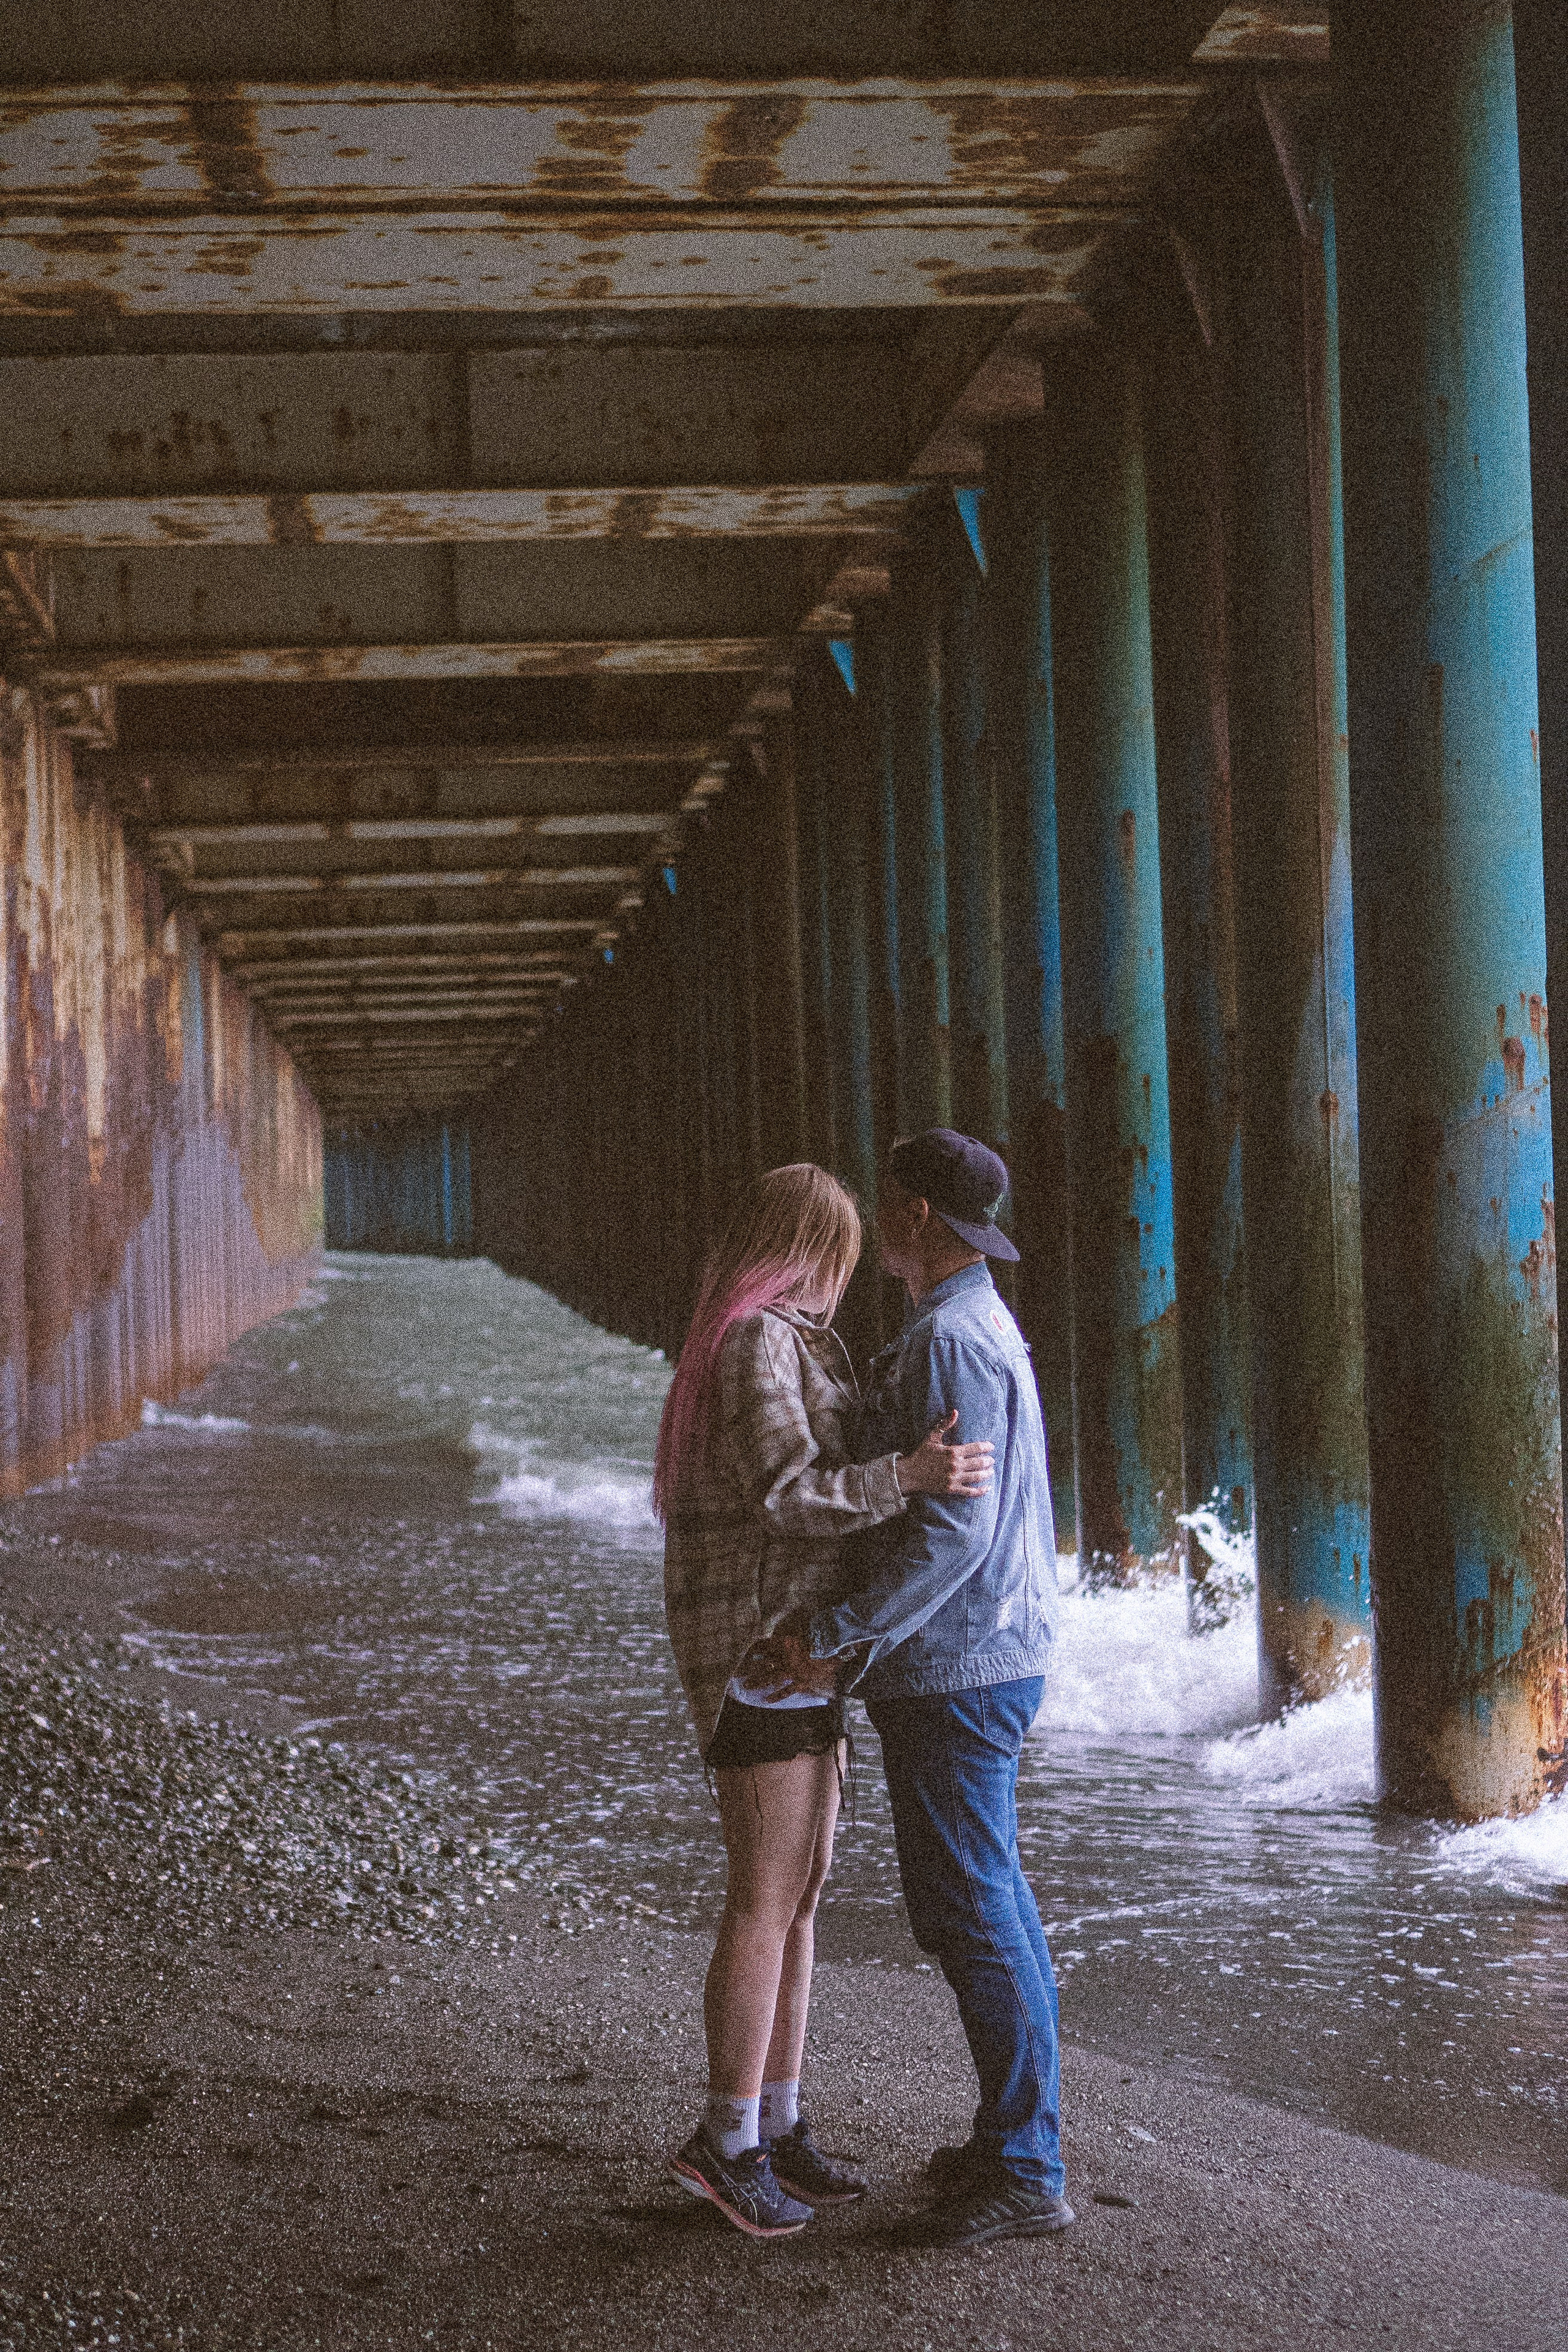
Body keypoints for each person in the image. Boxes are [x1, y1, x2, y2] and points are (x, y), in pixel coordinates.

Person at [655, 1161, 995, 2241]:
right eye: (840, 1260)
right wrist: (910, 1477)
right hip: (761, 1653)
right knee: (765, 1897)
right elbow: (789, 1496)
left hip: (802, 1655)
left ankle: (780, 2123)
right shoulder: (759, 1339)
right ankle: (726, 2143)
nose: (848, 1283)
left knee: (800, 1897)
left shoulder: (788, 1340)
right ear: (809, 1250)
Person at [747, 1129, 1071, 2247]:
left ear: (919, 1215)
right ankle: (1011, 2142)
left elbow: (953, 1535)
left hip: (962, 1667)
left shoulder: (948, 1341)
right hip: (993, 1654)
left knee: (974, 1906)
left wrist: (836, 1635)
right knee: (987, 1898)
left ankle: (1028, 2167)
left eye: (890, 1199)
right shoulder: (978, 1326)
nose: (878, 1215)